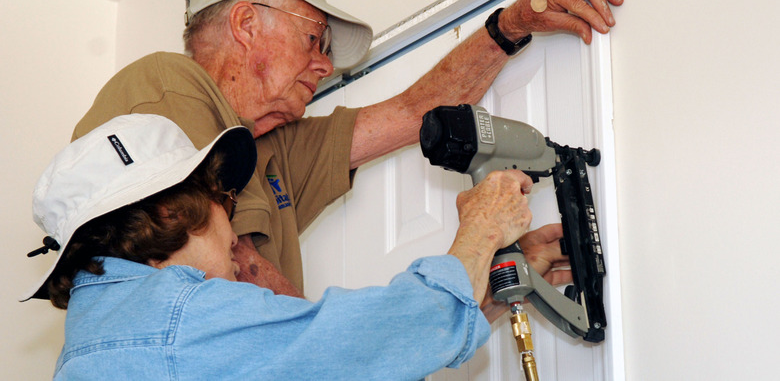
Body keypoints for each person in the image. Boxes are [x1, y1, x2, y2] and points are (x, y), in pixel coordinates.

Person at [72, 0, 622, 296]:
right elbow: (213, 277)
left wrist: (516, 21)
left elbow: (415, 112)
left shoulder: (274, 149)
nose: (325, 65)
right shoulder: (165, 85)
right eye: (314, 39)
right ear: (244, 24)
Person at [22, 113, 560, 379]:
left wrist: (489, 290)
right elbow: (365, 338)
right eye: (220, 198)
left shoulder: (94, 352)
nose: (236, 236)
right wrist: (484, 228)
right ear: (169, 212)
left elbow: (343, 366)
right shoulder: (177, 321)